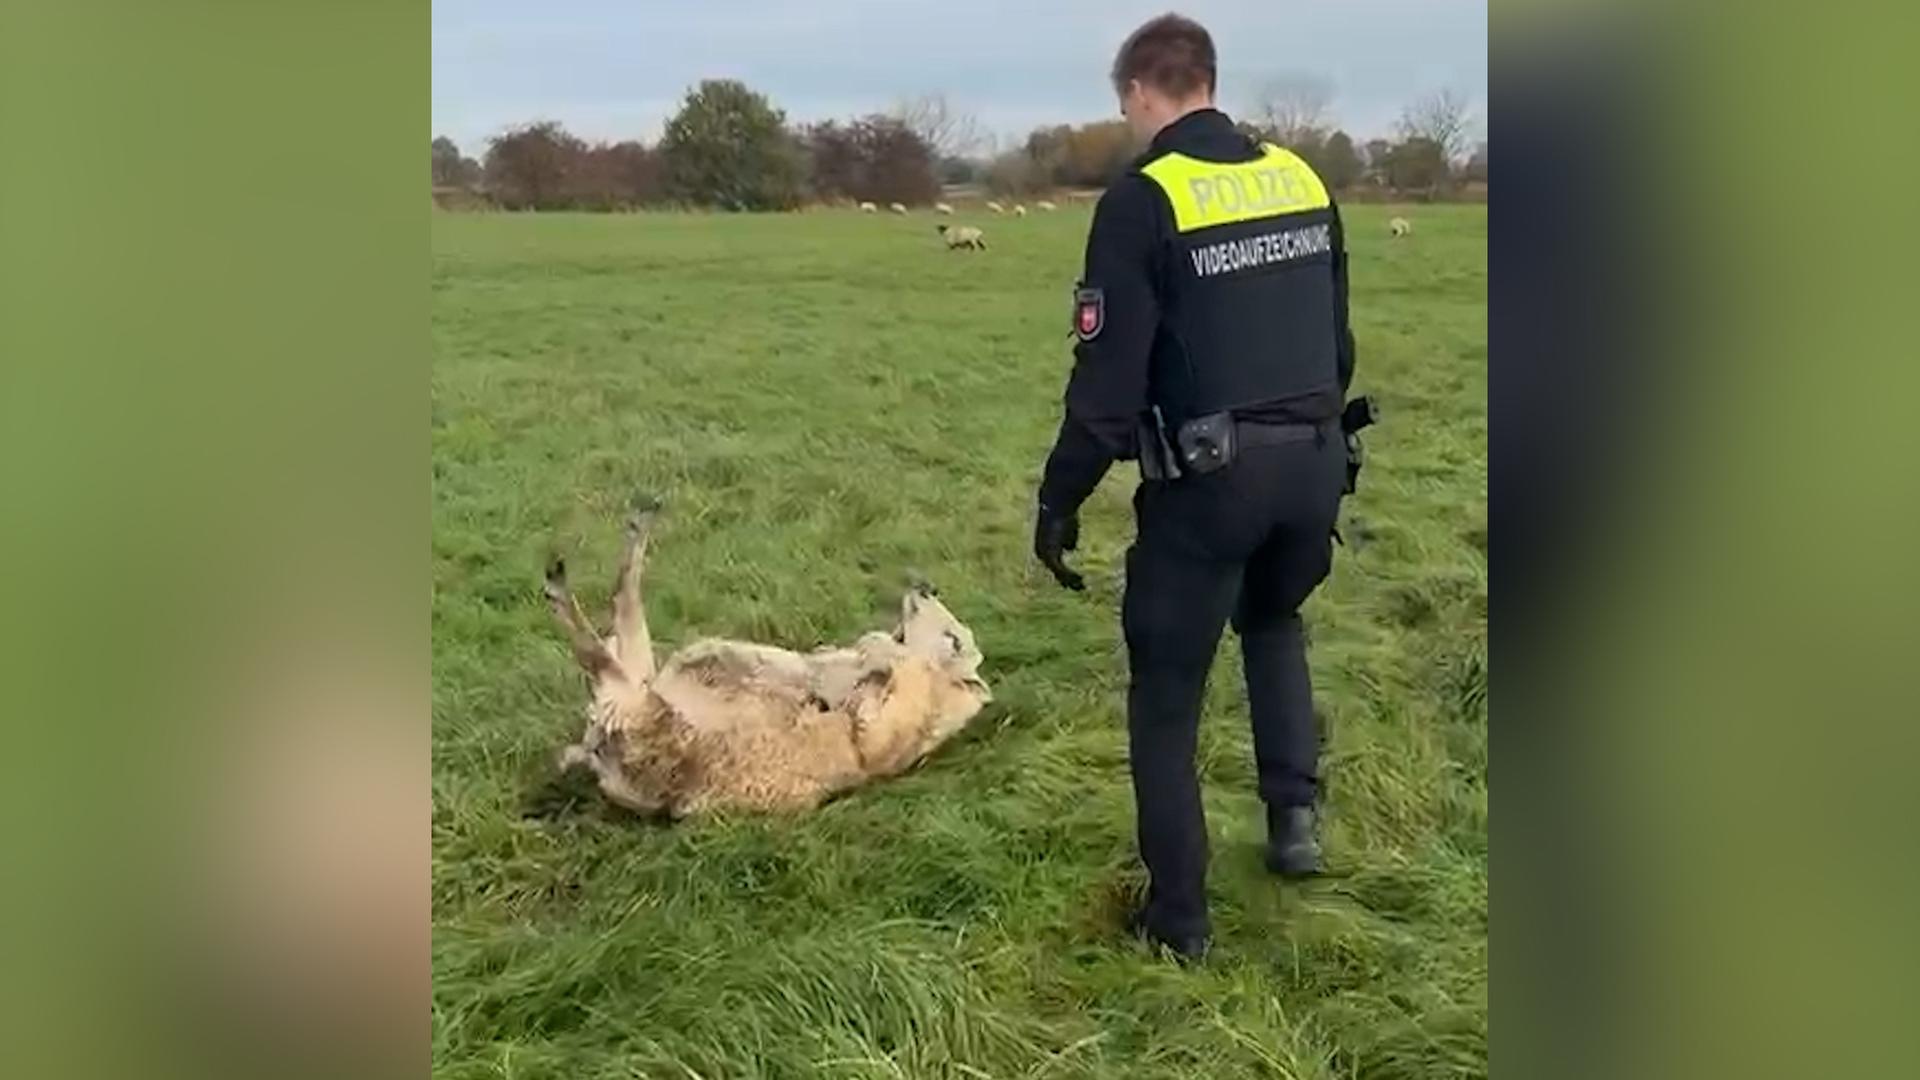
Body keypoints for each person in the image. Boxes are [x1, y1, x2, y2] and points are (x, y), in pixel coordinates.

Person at [1031, 13, 1358, 960]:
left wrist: (1059, 499)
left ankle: (1178, 920)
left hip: (1212, 483)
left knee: (1165, 696)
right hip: (1317, 465)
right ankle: (1293, 823)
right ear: (1209, 80)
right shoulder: (1301, 178)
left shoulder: (1144, 199)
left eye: (1124, 102)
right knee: (1273, 619)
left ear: (1140, 91)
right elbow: (1336, 345)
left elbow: (1106, 390)